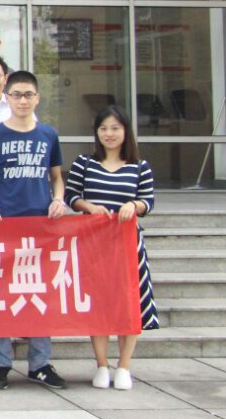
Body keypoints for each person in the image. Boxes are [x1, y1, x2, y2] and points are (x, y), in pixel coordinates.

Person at [0, 70, 68, 392]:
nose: (22, 100)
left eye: (28, 95)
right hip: (3, 226)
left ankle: (40, 364)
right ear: (7, 98)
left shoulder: (48, 134)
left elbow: (57, 177)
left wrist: (58, 199)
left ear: (37, 98)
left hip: (40, 227)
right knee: (0, 295)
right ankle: (0, 364)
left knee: (39, 295)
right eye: (16, 95)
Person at [66, 105, 158, 390]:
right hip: (95, 245)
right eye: (103, 128)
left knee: (130, 303)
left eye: (115, 128)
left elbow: (148, 201)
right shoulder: (85, 163)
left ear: (125, 132)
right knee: (99, 304)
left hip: (128, 245)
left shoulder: (139, 166)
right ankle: (102, 365)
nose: (109, 134)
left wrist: (134, 205)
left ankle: (125, 366)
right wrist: (89, 207)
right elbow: (71, 196)